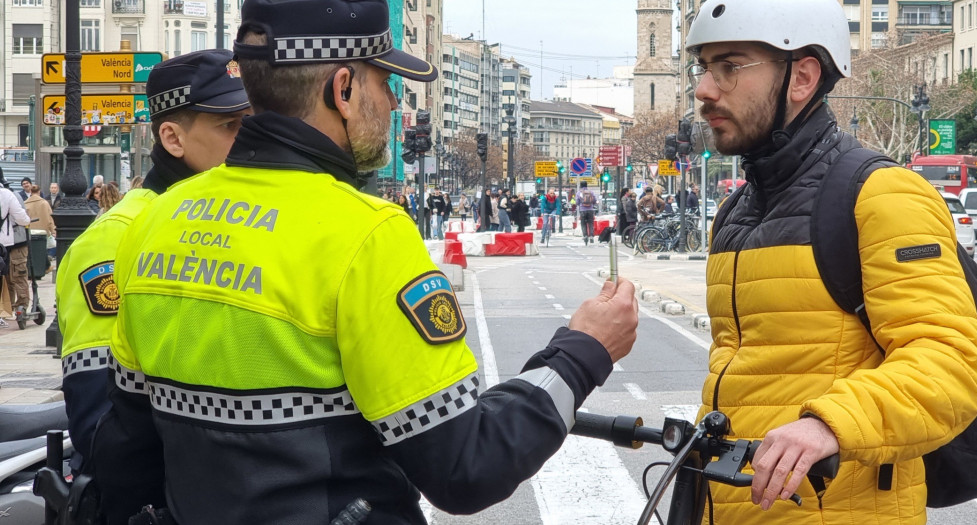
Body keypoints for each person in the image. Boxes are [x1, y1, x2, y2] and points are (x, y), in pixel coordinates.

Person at [90, 2, 639, 523]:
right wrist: (582, 351)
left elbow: (128, 448)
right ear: (344, 88)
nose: (396, 104)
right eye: (386, 83)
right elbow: (466, 467)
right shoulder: (366, 235)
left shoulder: (153, 225)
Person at [684, 1, 977, 523]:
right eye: (703, 68)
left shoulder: (879, 195)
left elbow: (952, 362)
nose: (704, 90)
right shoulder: (735, 213)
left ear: (801, 77)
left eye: (729, 67)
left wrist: (829, 424)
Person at [57, 49, 251, 475]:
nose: (250, 139)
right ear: (173, 138)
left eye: (254, 124)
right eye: (230, 126)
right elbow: (99, 420)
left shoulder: (248, 223)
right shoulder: (116, 236)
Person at [0, 173, 31, 328]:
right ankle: (21, 307)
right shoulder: (11, 195)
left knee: (5, 278)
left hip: (3, 244)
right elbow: (23, 219)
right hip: (16, 242)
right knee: (19, 275)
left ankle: (6, 308)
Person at [576, 181, 598, 245]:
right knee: (591, 223)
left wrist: (580, 204)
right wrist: (591, 204)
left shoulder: (579, 193)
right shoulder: (591, 192)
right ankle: (591, 236)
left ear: (580, 185)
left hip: (582, 210)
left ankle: (585, 236)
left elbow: (577, 202)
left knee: (583, 223)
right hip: (590, 210)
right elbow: (594, 200)